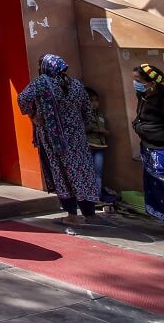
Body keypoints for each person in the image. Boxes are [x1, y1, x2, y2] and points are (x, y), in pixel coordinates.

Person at [17, 54, 101, 225]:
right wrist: (78, 127)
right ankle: (89, 213)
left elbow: (22, 99)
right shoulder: (76, 85)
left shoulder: (42, 82)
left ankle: (72, 215)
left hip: (54, 140)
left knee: (61, 174)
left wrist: (33, 116)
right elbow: (87, 111)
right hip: (77, 139)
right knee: (82, 173)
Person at [132, 64, 164, 220]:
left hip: (160, 149)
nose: (135, 83)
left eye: (138, 80)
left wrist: (145, 129)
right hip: (148, 148)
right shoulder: (143, 96)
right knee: (154, 186)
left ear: (152, 84)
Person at [84, 87, 117, 203]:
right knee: (87, 173)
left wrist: (103, 131)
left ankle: (96, 198)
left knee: (98, 174)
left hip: (100, 147)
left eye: (96, 100)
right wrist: (91, 129)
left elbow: (107, 132)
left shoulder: (100, 116)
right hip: (87, 147)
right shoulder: (82, 115)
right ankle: (87, 199)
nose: (95, 103)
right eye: (91, 101)